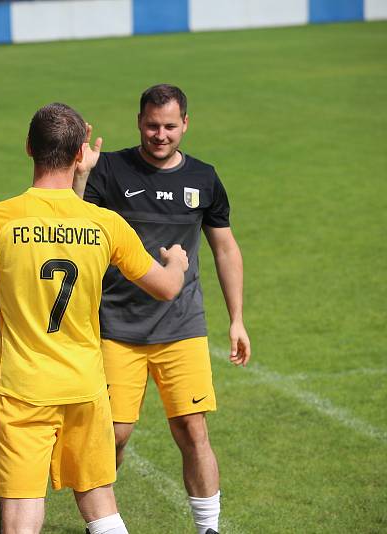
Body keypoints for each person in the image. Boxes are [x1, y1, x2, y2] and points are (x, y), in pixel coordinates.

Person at [0, 102, 188, 534]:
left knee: (21, 510)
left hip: (22, 389)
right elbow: (164, 288)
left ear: (28, 147)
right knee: (99, 502)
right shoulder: (105, 223)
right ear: (78, 156)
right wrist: (178, 264)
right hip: (86, 386)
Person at [73, 84, 252, 534]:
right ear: (139, 121)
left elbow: (225, 249)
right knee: (113, 436)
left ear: (185, 124)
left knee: (193, 430)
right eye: (152, 125)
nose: (160, 134)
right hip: (116, 327)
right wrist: (81, 177)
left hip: (182, 326)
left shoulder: (205, 178)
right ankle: (103, 524)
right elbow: (72, 227)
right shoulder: (109, 169)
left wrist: (236, 319)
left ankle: (208, 527)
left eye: (170, 126)